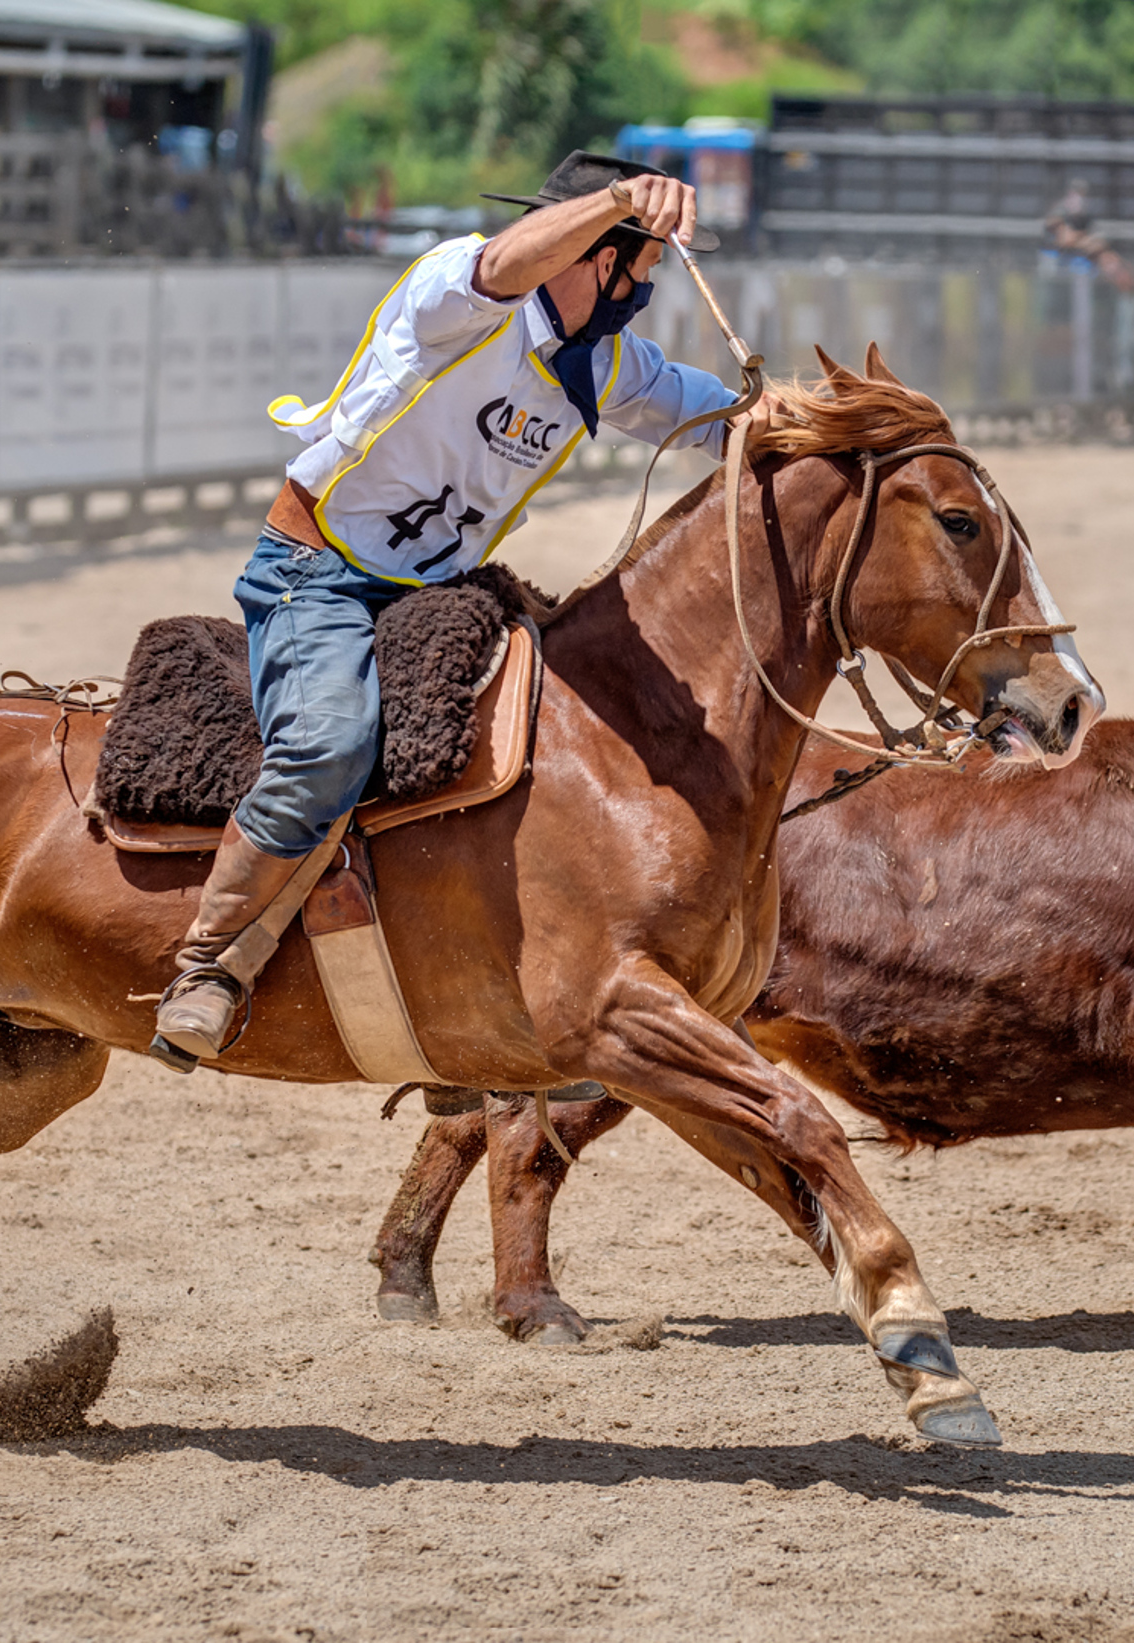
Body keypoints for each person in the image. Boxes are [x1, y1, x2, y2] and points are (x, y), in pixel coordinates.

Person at [149, 150, 754, 1067]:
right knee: (327, 748)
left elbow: (732, 421)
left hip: (437, 593)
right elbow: (504, 267)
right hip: (316, 573)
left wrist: (854, 423)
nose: (654, 279)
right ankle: (208, 963)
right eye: (646, 259)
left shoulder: (611, 365)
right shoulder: (457, 288)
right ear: (599, 254)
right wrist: (621, 200)